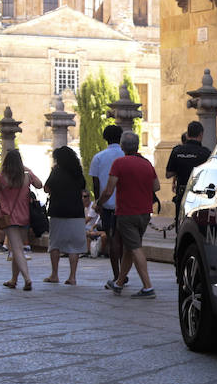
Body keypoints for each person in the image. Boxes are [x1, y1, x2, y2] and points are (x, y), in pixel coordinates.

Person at [96, 130, 159, 298]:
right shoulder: (146, 163)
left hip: (126, 212)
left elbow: (108, 190)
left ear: (122, 146)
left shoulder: (119, 163)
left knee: (135, 248)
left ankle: (148, 287)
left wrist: (99, 203)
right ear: (137, 146)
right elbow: (156, 186)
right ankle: (119, 283)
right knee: (129, 249)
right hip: (144, 213)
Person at [0, 148, 42, 291]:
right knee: (17, 248)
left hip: (8, 217)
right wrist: (29, 170)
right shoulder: (27, 177)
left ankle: (27, 278)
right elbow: (40, 185)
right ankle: (13, 279)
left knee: (17, 248)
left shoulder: (1, 177)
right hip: (24, 216)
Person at [43, 145, 88, 285]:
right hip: (76, 212)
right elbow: (82, 187)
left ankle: (54, 274)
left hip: (58, 211)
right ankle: (72, 277)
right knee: (74, 246)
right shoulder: (77, 172)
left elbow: (46, 188)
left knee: (55, 244)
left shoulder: (56, 171)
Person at [89, 124, 126, 289]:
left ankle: (117, 275)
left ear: (105, 138)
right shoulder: (126, 155)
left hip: (107, 205)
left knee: (112, 240)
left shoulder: (98, 157)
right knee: (124, 240)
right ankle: (123, 274)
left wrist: (98, 202)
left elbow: (96, 183)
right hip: (125, 204)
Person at [165, 120, 211, 222]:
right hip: (199, 196)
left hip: (182, 194)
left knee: (181, 223)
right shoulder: (205, 153)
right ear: (201, 134)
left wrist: (181, 167)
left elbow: (168, 174)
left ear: (187, 134)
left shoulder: (177, 151)